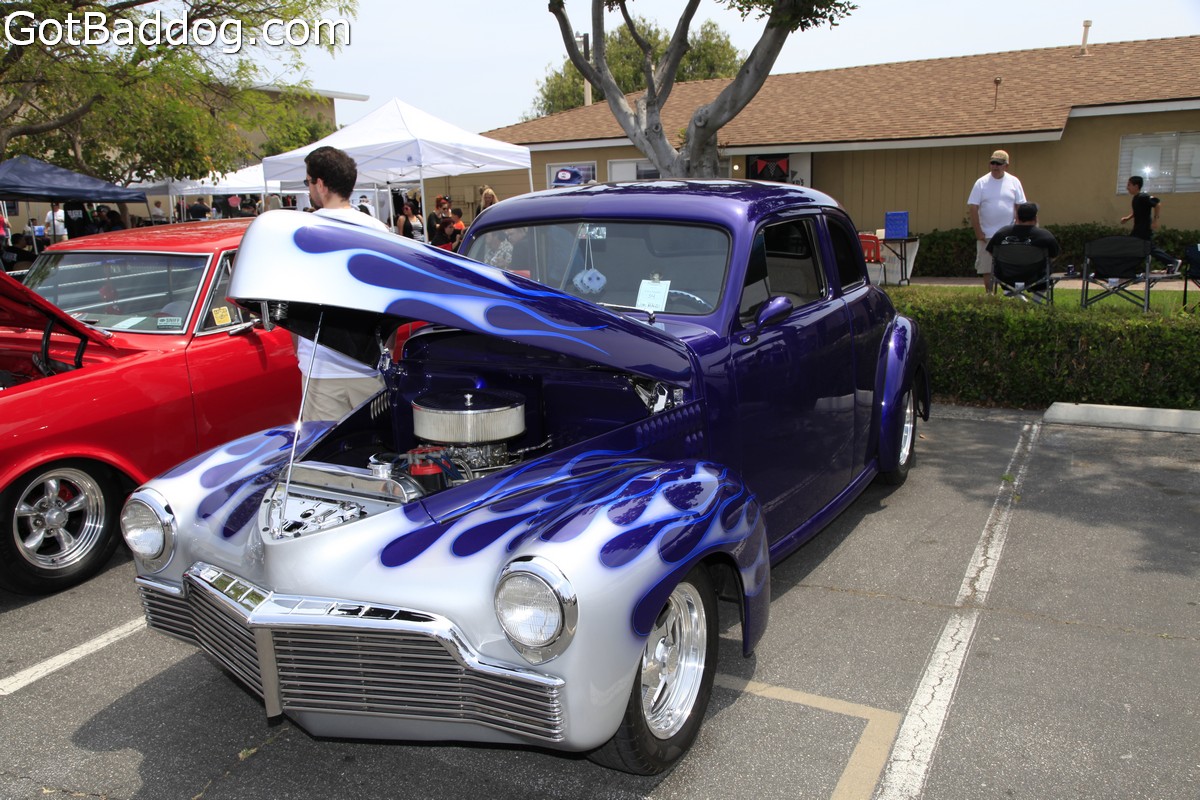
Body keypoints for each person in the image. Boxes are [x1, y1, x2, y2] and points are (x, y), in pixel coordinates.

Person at [297, 145, 392, 423]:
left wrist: (301, 352)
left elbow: (293, 299)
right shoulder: (379, 231)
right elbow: (391, 301)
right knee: (375, 445)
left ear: (321, 184)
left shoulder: (302, 231)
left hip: (322, 367)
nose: (309, 189)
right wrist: (385, 352)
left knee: (325, 447)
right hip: (369, 364)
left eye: (308, 182)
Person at [968, 150, 1026, 292]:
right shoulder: (981, 183)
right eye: (992, 163)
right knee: (987, 268)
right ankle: (990, 296)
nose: (995, 166)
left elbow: (1020, 206)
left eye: (998, 164)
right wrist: (978, 232)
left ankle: (1011, 293)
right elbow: (973, 207)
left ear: (1006, 166)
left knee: (1010, 266)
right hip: (986, 235)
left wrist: (1018, 229)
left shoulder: (1014, 182)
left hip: (1009, 234)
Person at [1120, 175, 1178, 270]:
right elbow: (1136, 212)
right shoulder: (1136, 198)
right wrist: (1127, 218)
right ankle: (1128, 268)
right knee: (1137, 247)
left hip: (1144, 229)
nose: (1127, 187)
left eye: (1129, 185)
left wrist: (1155, 220)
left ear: (1136, 186)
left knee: (1148, 248)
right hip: (1138, 228)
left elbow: (1157, 204)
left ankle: (1172, 261)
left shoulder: (1143, 197)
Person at [986, 202, 1060, 258]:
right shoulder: (1045, 236)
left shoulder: (1001, 233)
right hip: (1036, 273)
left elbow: (991, 251)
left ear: (1017, 218)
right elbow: (1054, 255)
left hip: (1006, 273)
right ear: (1035, 218)